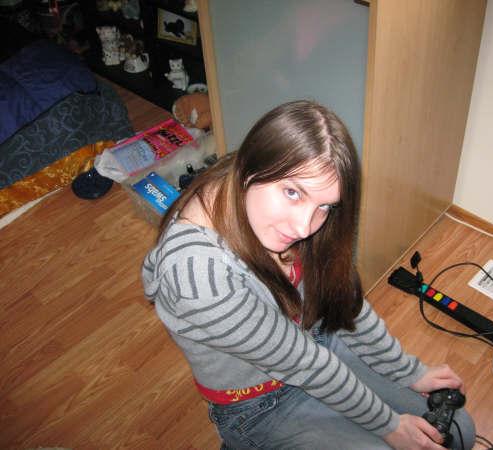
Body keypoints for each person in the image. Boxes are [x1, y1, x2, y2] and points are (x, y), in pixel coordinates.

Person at [142, 100, 475, 449]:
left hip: (318, 344)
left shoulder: (261, 189)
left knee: (459, 431)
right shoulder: (200, 276)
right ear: (252, 169)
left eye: (325, 207)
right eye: (293, 193)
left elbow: (343, 303)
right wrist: (389, 426)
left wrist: (408, 371)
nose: (304, 227)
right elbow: (306, 365)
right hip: (261, 406)